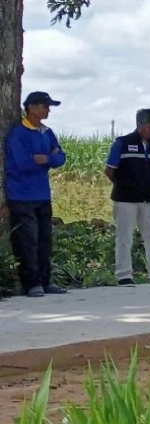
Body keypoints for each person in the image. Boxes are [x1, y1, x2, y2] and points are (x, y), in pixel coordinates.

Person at [5, 92, 68, 297]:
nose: (48, 110)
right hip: (21, 194)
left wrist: (45, 158)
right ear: (31, 107)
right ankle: (31, 283)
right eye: (45, 106)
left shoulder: (47, 132)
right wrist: (48, 158)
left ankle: (45, 280)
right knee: (27, 240)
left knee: (44, 239)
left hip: (42, 194)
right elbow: (23, 164)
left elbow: (61, 158)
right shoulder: (19, 134)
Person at [105, 108, 150, 286]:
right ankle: (124, 275)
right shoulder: (123, 143)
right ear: (140, 125)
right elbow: (109, 170)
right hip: (125, 198)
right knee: (124, 237)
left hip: (147, 198)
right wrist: (124, 185)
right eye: (149, 126)